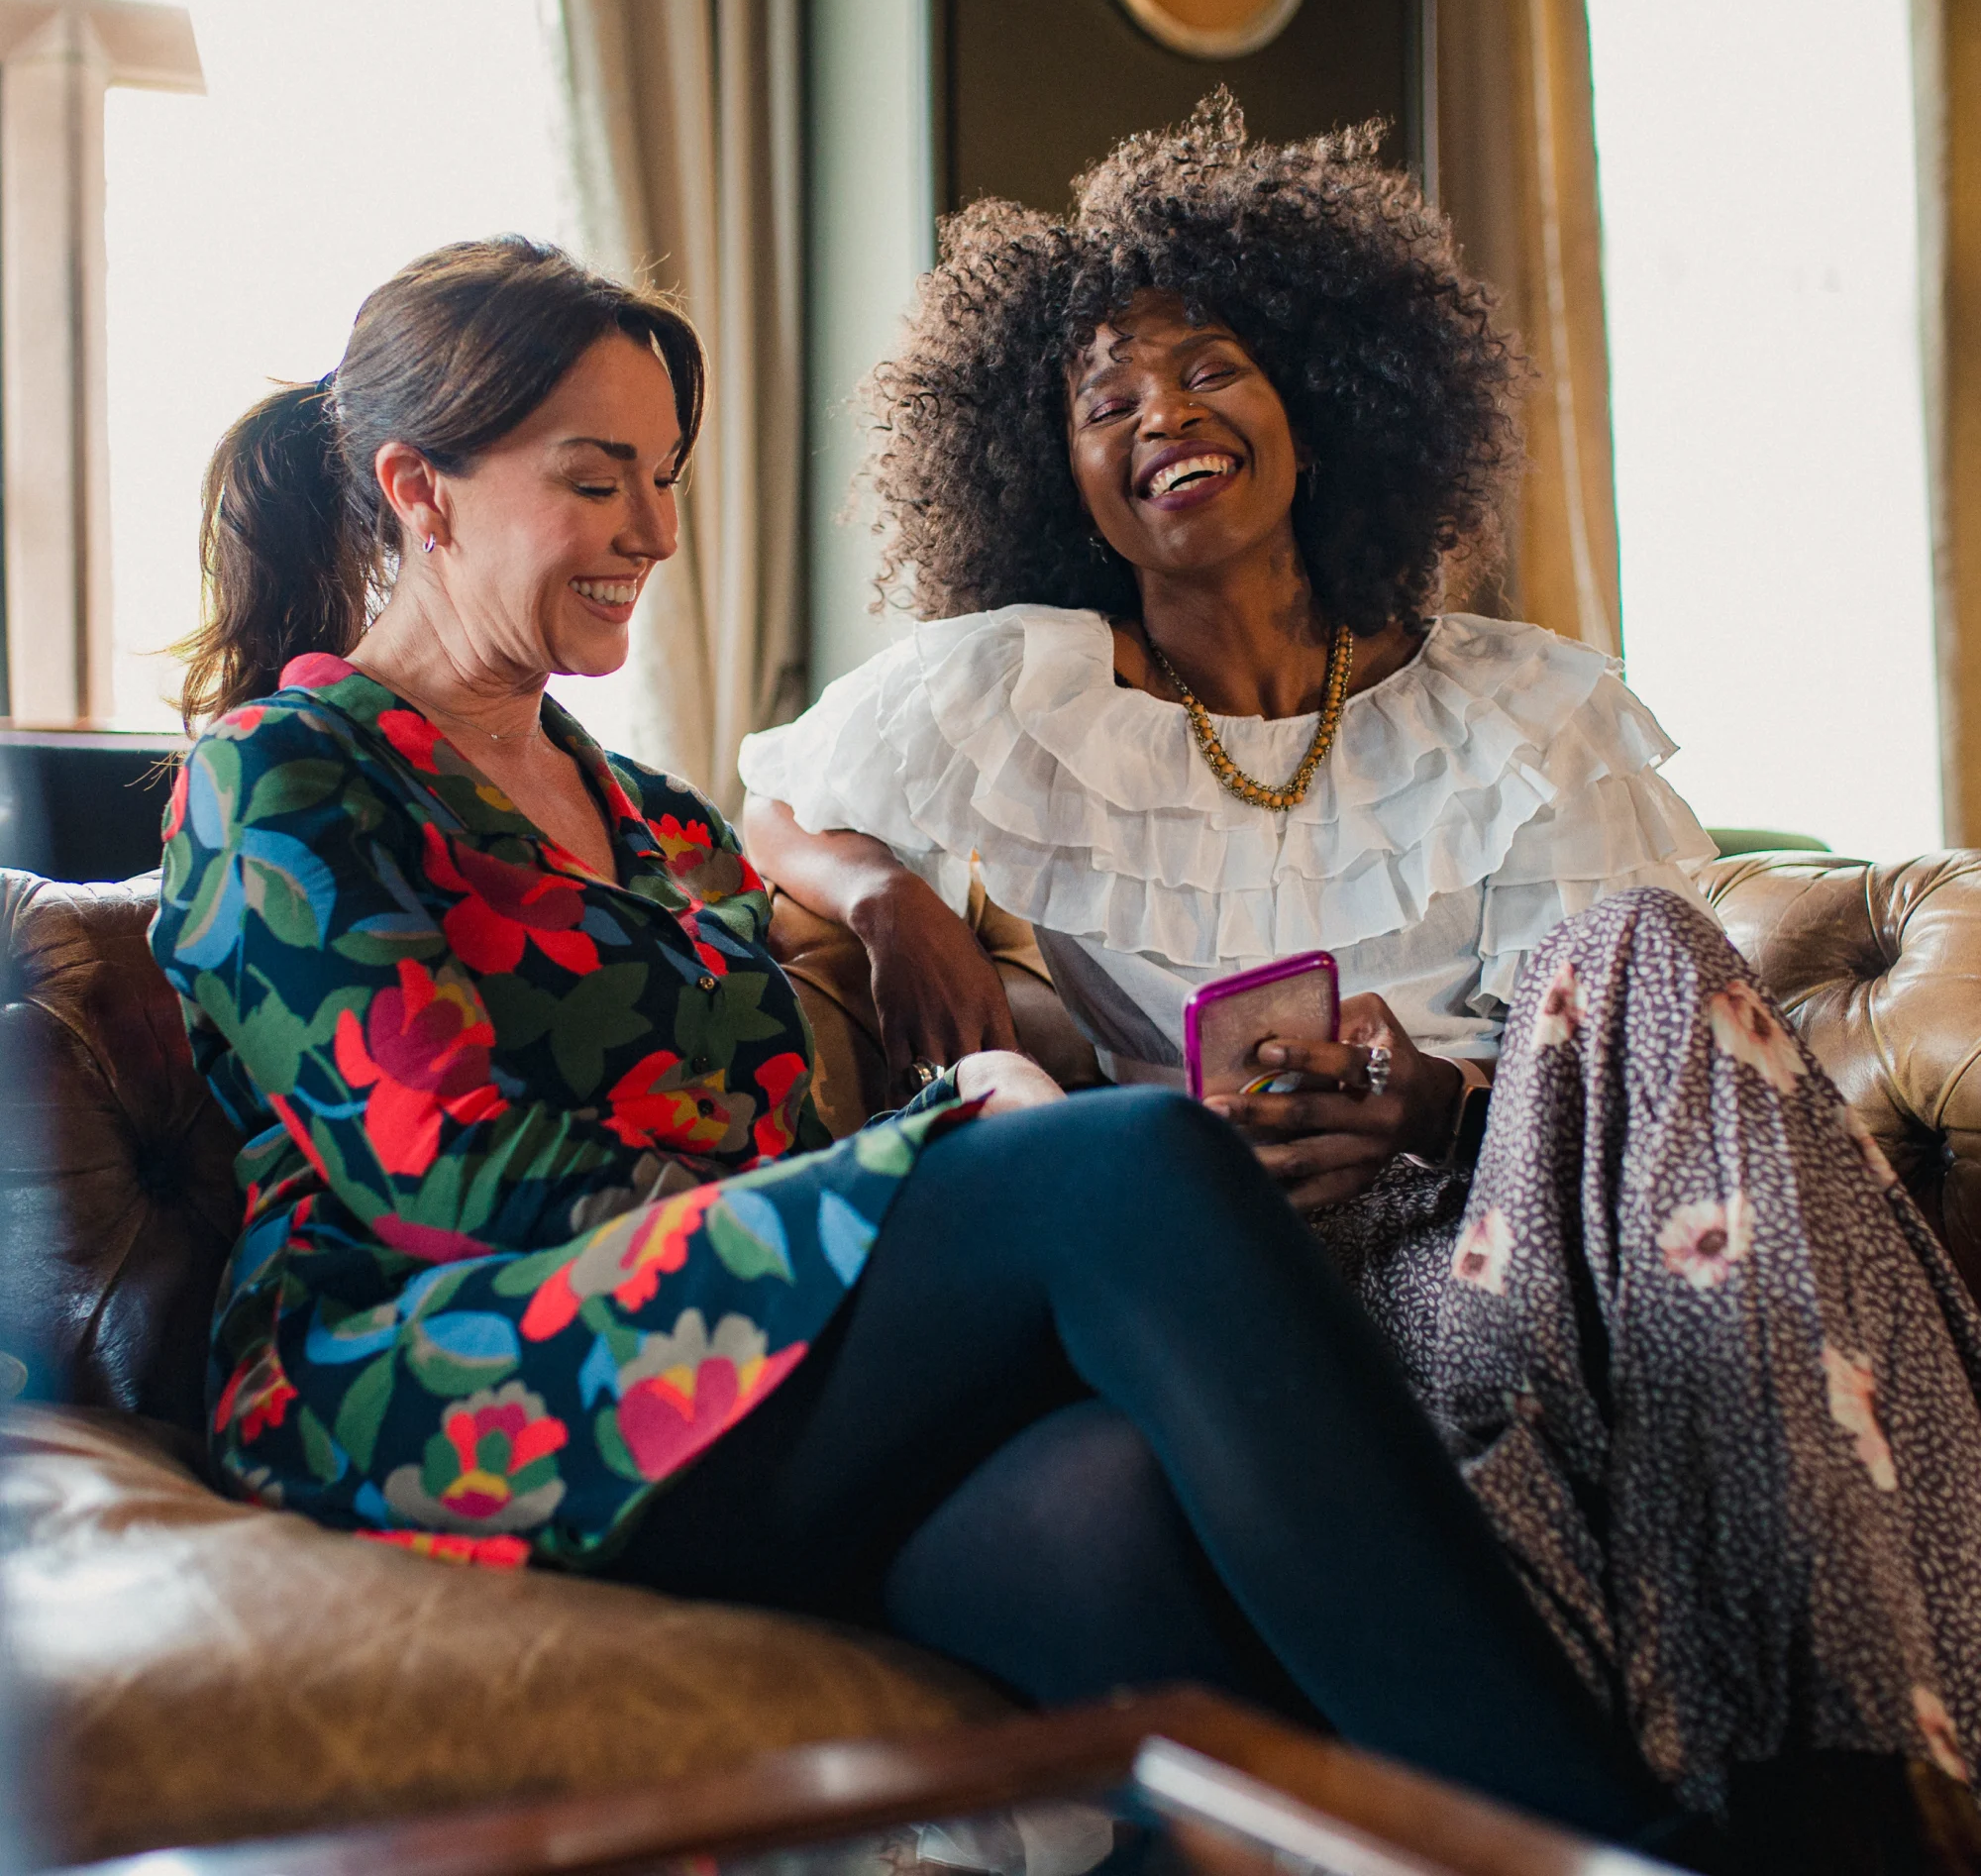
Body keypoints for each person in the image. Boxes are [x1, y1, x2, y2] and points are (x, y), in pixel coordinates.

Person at [154, 236, 1706, 1857]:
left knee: (1112, 1509)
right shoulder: (286, 774)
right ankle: (1603, 1846)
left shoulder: (662, 829)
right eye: (597, 479)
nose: (656, 534)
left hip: (722, 1371)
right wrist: (935, 1167)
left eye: (666, 479)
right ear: (421, 488)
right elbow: (447, 1180)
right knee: (1127, 1161)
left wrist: (937, 1111)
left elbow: (767, 1151)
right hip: (433, 1385)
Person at [738, 96, 1981, 1821]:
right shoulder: (1012, 686)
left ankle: (1822, 1759)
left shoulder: (1520, 705)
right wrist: (886, 899)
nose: (1163, 414)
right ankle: (1828, 1788)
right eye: (1108, 403)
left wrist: (1442, 1103)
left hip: (1526, 1235)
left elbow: (1634, 1072)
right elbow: (775, 810)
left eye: (1212, 370)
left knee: (1632, 942)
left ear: (1319, 400)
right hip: (1248, 1302)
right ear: (1057, 477)